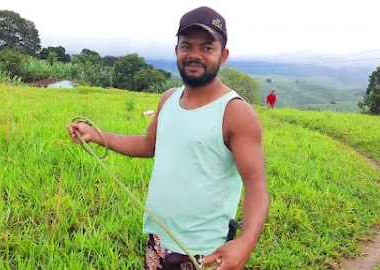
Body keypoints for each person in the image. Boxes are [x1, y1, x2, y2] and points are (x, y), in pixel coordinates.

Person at [67, 6, 269, 270]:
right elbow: (147, 145)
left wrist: (245, 243)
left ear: (224, 55)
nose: (194, 55)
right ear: (176, 51)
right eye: (187, 46)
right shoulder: (169, 98)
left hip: (205, 253)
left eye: (207, 48)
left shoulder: (236, 113)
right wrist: (96, 135)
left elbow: (256, 188)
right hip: (158, 242)